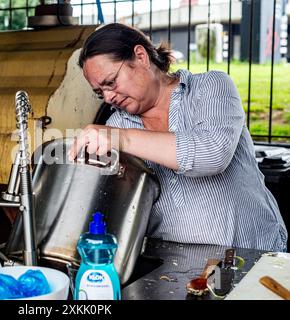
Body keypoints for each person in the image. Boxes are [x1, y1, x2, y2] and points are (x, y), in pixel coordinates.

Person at [68, 23, 288, 252]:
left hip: (253, 252)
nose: (108, 97)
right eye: (99, 92)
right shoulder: (117, 124)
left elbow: (212, 154)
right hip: (177, 265)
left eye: (110, 82)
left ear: (141, 56)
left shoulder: (209, 88)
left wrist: (121, 139)